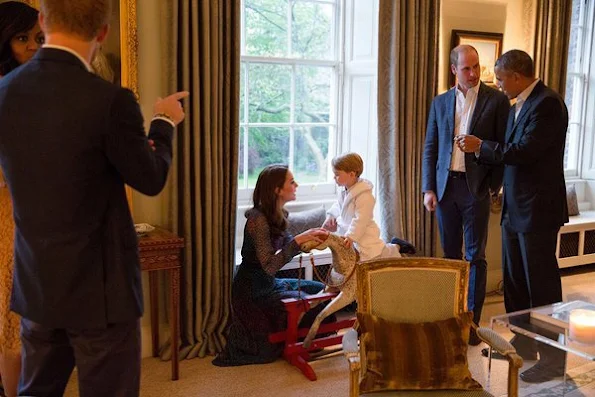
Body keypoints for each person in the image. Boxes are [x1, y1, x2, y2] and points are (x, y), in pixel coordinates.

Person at [0, 0, 189, 395]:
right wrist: (163, 121)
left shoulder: (4, 92)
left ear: (43, 21)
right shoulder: (109, 100)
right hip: (102, 295)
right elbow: (151, 178)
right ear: (102, 33)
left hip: (38, 285)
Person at [456, 49, 568, 382]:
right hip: (515, 207)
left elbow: (524, 153)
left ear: (517, 76)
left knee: (542, 288)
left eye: (501, 79)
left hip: (538, 210)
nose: (500, 86)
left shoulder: (548, 104)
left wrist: (480, 147)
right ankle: (524, 342)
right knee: (516, 284)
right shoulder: (520, 103)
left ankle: (552, 360)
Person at [421, 44, 509, 345]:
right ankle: (450, 314)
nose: (473, 74)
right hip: (445, 189)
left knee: (476, 257)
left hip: (476, 188)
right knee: (450, 257)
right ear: (453, 70)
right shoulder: (440, 101)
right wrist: (428, 188)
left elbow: (502, 147)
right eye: (467, 68)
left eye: (476, 66)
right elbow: (431, 147)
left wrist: (492, 186)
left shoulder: (496, 100)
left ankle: (472, 322)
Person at [213, 164, 331, 366]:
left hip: (268, 283)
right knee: (305, 299)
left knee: (321, 291)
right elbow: (270, 265)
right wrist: (297, 243)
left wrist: (313, 237)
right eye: (291, 182)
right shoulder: (257, 220)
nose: (297, 185)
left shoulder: (279, 213)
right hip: (252, 291)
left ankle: (307, 342)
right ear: (277, 189)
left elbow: (289, 244)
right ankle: (296, 343)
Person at [0, 2, 43, 396]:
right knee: (12, 325)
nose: (32, 46)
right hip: (8, 218)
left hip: (34, 217)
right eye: (22, 37)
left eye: (38, 38)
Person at [323, 152, 401, 261]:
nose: (334, 177)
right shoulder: (345, 191)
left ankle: (396, 246)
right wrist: (331, 215)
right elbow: (339, 206)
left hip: (363, 234)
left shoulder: (364, 196)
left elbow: (361, 219)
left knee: (375, 253)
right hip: (347, 233)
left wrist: (351, 236)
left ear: (351, 174)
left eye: (337, 174)